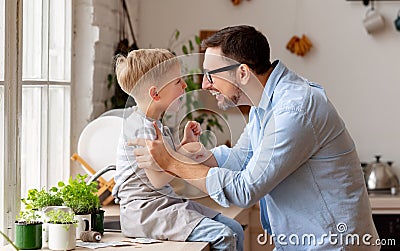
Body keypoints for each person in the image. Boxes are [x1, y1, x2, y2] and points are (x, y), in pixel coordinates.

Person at [131, 26, 380, 250]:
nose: (205, 85)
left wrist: (172, 163)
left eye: (210, 75)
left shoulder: (292, 110)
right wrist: (193, 153)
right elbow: (242, 159)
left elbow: (245, 189)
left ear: (242, 73)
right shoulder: (264, 104)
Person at [112, 48, 244, 251]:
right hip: (146, 212)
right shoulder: (140, 129)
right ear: (155, 94)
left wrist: (184, 143)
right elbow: (158, 179)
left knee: (235, 228)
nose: (185, 85)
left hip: (164, 203)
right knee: (224, 236)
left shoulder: (153, 123)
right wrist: (187, 151)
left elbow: (165, 163)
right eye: (177, 82)